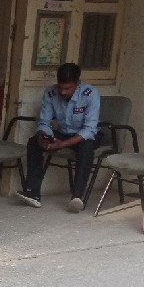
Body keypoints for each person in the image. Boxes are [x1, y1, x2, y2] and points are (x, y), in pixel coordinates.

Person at [16, 62, 100, 212]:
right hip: (64, 132)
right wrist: (43, 137)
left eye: (68, 88)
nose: (63, 92)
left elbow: (89, 130)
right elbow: (44, 122)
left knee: (86, 148)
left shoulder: (90, 94)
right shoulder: (51, 93)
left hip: (84, 136)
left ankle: (77, 197)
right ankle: (32, 193)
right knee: (34, 142)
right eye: (60, 87)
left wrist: (61, 144)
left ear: (77, 83)